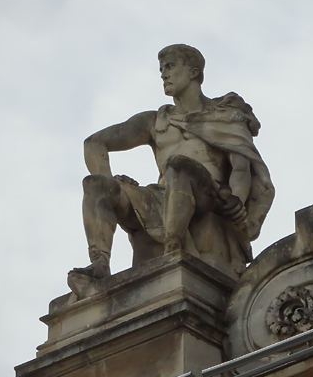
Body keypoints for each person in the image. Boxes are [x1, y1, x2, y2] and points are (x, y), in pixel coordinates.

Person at [69, 44, 274, 285]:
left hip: (209, 193)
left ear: (193, 72)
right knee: (96, 185)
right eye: (161, 69)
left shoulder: (224, 115)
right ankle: (100, 262)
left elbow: (242, 167)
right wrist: (111, 180)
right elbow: (94, 143)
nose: (163, 74)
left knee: (179, 166)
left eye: (170, 66)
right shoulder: (156, 120)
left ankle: (172, 250)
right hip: (162, 196)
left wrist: (237, 201)